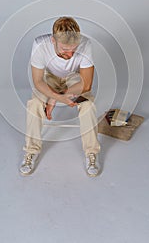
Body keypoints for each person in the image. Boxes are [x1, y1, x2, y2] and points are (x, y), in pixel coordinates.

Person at [19, 16, 101, 177]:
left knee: (88, 105)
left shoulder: (86, 44)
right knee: (34, 103)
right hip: (49, 78)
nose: (70, 54)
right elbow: (38, 81)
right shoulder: (39, 45)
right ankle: (31, 151)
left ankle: (91, 153)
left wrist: (55, 98)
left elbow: (86, 84)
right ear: (53, 40)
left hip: (74, 79)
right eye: (65, 49)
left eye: (74, 49)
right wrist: (53, 95)